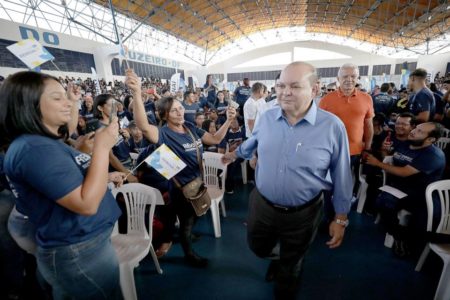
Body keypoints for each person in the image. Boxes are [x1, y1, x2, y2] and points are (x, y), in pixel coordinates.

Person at [222, 62, 352, 299]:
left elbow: (342, 174)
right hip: (262, 205)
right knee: (257, 247)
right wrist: (236, 154)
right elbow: (253, 143)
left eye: (295, 86)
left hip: (303, 213)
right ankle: (281, 258)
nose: (285, 92)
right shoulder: (268, 118)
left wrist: (341, 217)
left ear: (314, 89)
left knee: (292, 266)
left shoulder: (332, 127)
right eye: (281, 85)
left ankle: (286, 270)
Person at [0, 71, 123, 299]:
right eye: (57, 98)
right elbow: (86, 203)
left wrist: (86, 157)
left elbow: (66, 182)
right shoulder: (34, 149)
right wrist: (102, 148)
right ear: (28, 104)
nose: (67, 102)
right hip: (78, 251)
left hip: (84, 245)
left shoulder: (41, 143)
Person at [130, 69, 236, 267]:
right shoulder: (162, 134)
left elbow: (215, 139)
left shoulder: (190, 127)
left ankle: (174, 237)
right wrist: (136, 93)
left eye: (180, 108)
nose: (179, 112)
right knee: (186, 223)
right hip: (180, 189)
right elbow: (143, 126)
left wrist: (229, 121)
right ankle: (189, 255)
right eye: (174, 110)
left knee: (192, 217)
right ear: (164, 115)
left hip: (197, 182)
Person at [319, 63, 374, 196]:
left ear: (357, 78)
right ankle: (329, 212)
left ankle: (343, 211)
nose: (349, 79)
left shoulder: (366, 98)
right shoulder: (326, 99)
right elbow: (319, 127)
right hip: (331, 151)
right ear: (338, 79)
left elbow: (368, 125)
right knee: (328, 185)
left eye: (353, 76)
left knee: (347, 184)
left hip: (355, 152)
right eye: (345, 76)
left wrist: (367, 147)